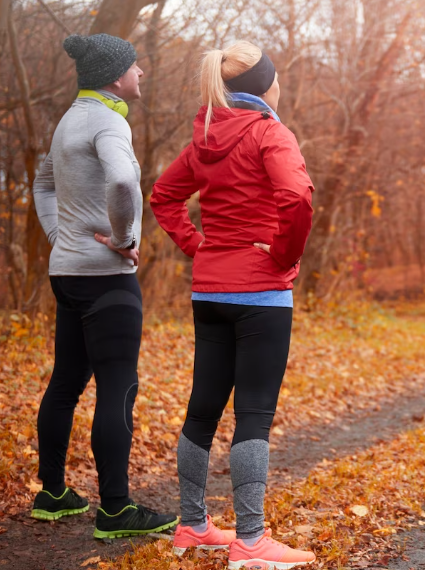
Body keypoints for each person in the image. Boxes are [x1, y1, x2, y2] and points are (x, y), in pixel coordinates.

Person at [150, 41, 316, 569]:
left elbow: (163, 196)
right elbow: (297, 197)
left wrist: (201, 249)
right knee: (254, 414)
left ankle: (194, 526)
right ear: (265, 85)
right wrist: (284, 257)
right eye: (277, 76)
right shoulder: (270, 132)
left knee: (202, 409)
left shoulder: (205, 135)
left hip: (211, 292)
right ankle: (249, 542)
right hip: (261, 294)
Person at [31, 33, 177, 539]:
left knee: (66, 382)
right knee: (117, 387)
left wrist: (59, 235)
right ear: (116, 76)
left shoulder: (68, 120)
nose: (141, 74)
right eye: (136, 67)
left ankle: (52, 493)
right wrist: (123, 238)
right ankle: (116, 509)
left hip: (67, 273)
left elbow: (43, 183)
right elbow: (121, 183)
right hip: (106, 278)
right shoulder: (109, 122)